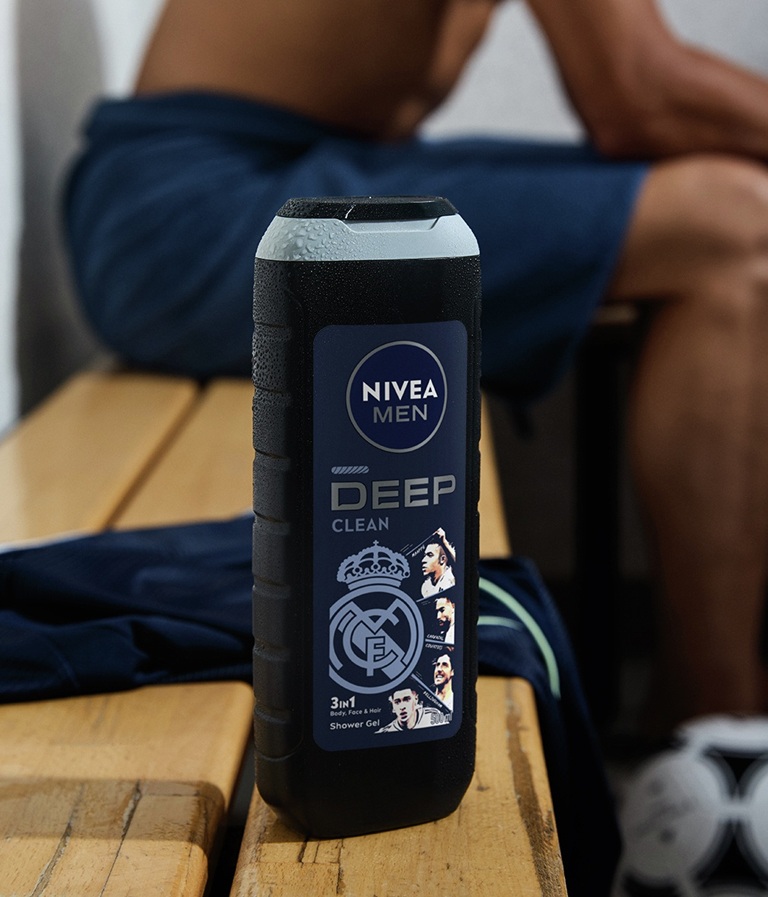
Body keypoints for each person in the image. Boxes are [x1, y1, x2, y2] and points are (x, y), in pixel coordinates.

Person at [63, 0, 768, 739]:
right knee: (736, 224)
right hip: (189, 211)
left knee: (719, 197)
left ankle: (715, 706)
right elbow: (639, 95)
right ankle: (715, 723)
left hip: (304, 171)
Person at [377, 687, 444, 732]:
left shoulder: (434, 717)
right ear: (393, 705)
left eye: (407, 699)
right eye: (397, 702)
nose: (402, 707)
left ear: (416, 699)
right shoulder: (385, 732)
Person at [420, 530, 456, 598]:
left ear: (442, 559)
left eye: (430, 555)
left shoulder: (452, 577)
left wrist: (444, 542)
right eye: (425, 555)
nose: (423, 560)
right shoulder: (425, 587)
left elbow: (460, 563)